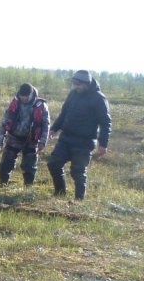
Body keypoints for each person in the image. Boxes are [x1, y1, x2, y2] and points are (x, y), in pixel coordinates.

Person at [47, 70, 111, 200]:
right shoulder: (73, 94)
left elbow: (105, 122)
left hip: (84, 142)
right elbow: (64, 113)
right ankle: (60, 194)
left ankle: (79, 201)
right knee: (53, 163)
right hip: (66, 138)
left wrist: (103, 144)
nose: (76, 87)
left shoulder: (99, 98)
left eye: (78, 84)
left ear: (86, 83)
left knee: (78, 172)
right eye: (74, 84)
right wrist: (54, 128)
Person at [0, 83, 51, 186]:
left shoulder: (41, 105)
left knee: (29, 166)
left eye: (26, 96)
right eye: (22, 96)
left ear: (31, 94)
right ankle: (3, 184)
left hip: (32, 140)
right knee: (5, 164)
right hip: (14, 137)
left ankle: (28, 187)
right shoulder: (15, 102)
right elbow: (6, 120)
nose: (23, 98)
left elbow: (46, 124)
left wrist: (43, 141)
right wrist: (1, 136)